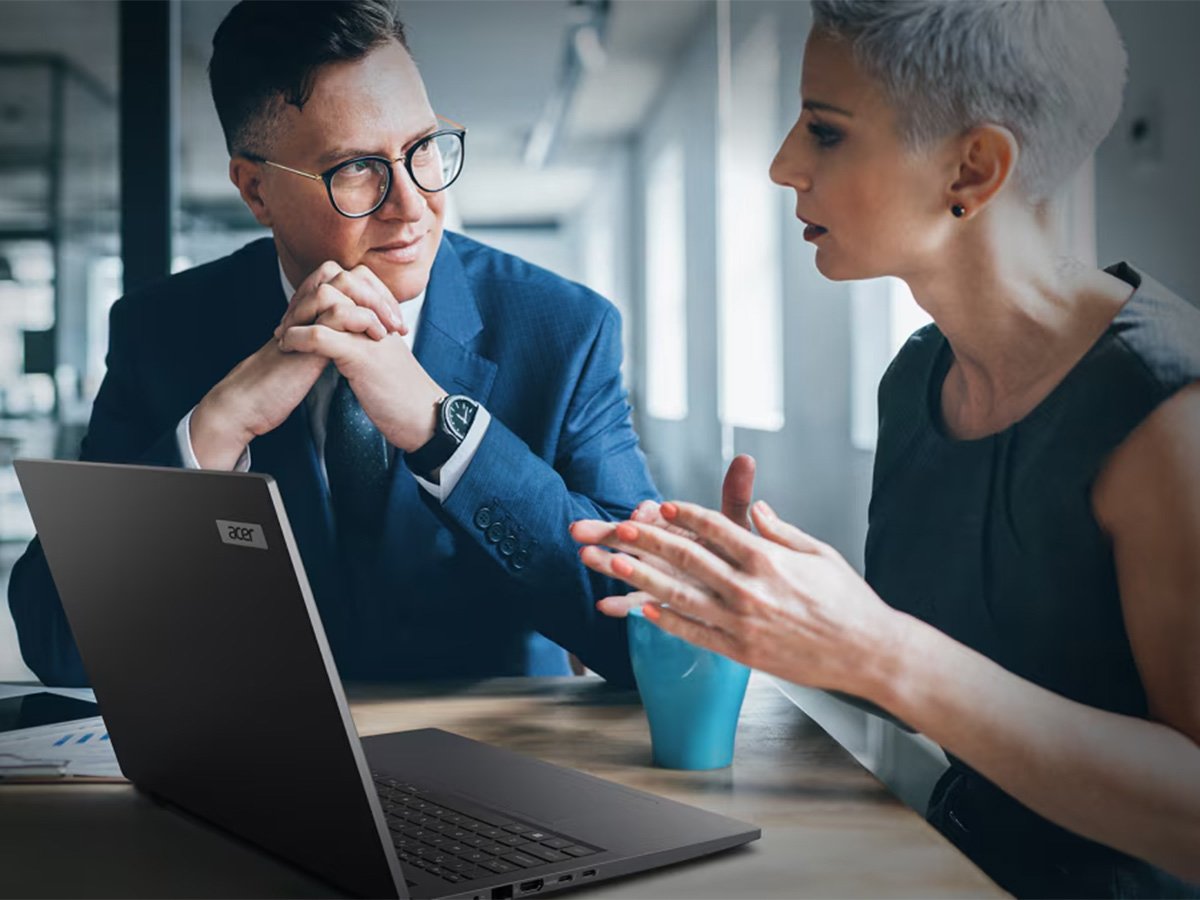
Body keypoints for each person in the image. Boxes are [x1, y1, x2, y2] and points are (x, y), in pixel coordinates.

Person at [573, 1, 1200, 896]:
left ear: (973, 169)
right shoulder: (916, 381)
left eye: (825, 132)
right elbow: (944, 680)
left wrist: (877, 647)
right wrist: (778, 607)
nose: (783, 164)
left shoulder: (1169, 413)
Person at [9, 0, 664, 687]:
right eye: (356, 168)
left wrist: (445, 435)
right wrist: (218, 425)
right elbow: (57, 641)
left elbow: (643, 630)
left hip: (502, 758)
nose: (412, 204)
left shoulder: (565, 330)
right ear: (255, 190)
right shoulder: (162, 331)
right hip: (254, 766)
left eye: (423, 147)